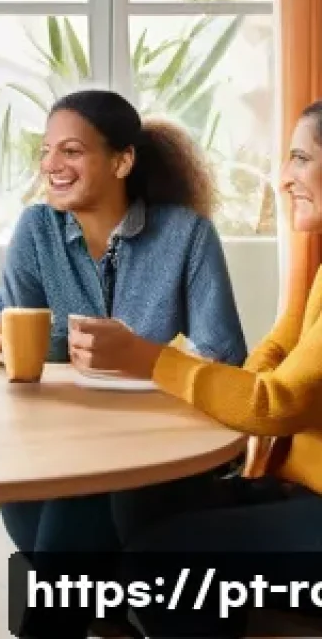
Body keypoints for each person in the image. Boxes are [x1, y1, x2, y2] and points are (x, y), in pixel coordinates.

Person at [0, 89, 246, 637]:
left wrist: (145, 360)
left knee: (80, 508)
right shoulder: (37, 230)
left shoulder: (186, 235)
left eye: (71, 151)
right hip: (52, 442)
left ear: (122, 161)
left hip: (158, 448)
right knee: (48, 504)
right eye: (46, 151)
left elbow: (225, 354)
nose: (51, 165)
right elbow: (7, 327)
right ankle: (112, 612)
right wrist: (8, 341)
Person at [69, 99, 322, 637]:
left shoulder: (186, 235)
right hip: (292, 488)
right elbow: (276, 351)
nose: (284, 178)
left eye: (300, 158)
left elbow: (274, 404)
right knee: (140, 498)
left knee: (157, 558)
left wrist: (146, 357)